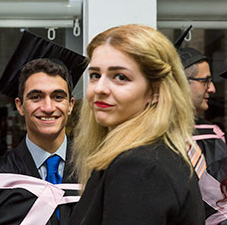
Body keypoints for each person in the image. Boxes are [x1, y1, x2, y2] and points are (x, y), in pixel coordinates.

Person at [67, 24, 205, 225]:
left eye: (120, 77)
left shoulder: (139, 167)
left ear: (155, 91)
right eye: (95, 75)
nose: (100, 88)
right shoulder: (153, 154)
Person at [0, 31, 87, 225]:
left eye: (58, 97)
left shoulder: (94, 170)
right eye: (36, 97)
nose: (48, 108)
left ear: (71, 105)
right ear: (19, 105)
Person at [175, 27, 227, 225]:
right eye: (205, 81)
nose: (212, 88)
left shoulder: (210, 136)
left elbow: (219, 207)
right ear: (179, 83)